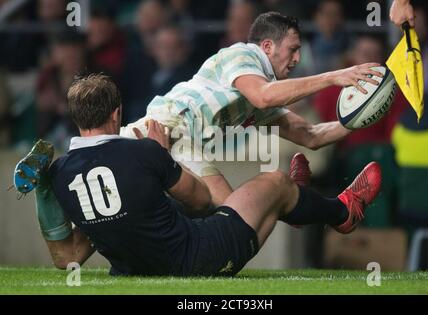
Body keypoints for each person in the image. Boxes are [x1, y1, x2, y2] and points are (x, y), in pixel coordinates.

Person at [18, 74, 382, 276]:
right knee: (274, 183)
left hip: (135, 266)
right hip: (198, 257)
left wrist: (45, 190)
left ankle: (296, 204)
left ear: (76, 118)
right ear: (117, 113)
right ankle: (341, 212)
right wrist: (164, 157)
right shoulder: (142, 151)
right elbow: (200, 200)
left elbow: (66, 258)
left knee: (114, 219)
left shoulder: (62, 173)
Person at [120, 11, 383, 205]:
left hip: (185, 146)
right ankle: (306, 203)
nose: (298, 59)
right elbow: (264, 97)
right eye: (293, 50)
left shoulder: (257, 97)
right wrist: (332, 77)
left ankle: (320, 206)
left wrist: (362, 116)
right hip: (161, 129)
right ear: (267, 47)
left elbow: (311, 136)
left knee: (236, 215)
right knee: (236, 214)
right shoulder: (242, 54)